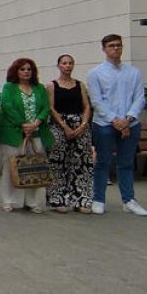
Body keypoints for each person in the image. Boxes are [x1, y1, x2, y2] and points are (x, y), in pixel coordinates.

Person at [87, 34, 147, 216]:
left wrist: (128, 119)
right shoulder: (95, 73)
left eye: (119, 46)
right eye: (112, 46)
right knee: (103, 162)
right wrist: (115, 120)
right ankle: (98, 199)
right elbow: (97, 101)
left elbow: (139, 98)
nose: (116, 49)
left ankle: (129, 200)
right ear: (104, 49)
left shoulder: (134, 72)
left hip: (130, 124)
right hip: (105, 124)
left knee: (126, 163)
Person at [0, 57, 52, 213]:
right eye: (22, 69)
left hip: (36, 133)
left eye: (29, 69)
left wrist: (36, 123)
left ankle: (32, 201)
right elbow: (7, 106)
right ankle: (8, 200)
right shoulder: (9, 88)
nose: (26, 72)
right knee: (11, 166)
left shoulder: (40, 88)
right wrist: (23, 124)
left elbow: (46, 108)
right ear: (16, 71)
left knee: (33, 166)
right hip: (13, 133)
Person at [45, 54, 94, 213]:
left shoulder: (80, 85)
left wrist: (83, 124)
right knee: (58, 163)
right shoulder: (52, 85)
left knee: (82, 163)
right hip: (59, 125)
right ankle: (58, 199)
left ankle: (82, 199)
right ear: (58, 66)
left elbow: (86, 106)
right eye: (64, 63)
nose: (67, 66)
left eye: (70, 63)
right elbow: (51, 108)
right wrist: (64, 126)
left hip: (79, 124)